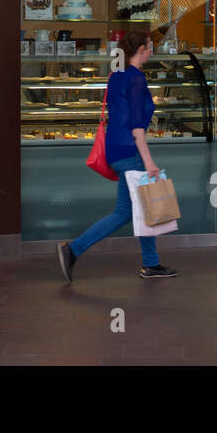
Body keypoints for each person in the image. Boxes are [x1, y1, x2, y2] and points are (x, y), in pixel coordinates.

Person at [57, 30, 177, 281]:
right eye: (149, 46)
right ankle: (73, 249)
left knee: (131, 210)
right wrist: (149, 161)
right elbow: (136, 126)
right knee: (133, 209)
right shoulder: (135, 78)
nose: (152, 51)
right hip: (130, 149)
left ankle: (151, 264)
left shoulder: (116, 75)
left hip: (114, 148)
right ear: (141, 50)